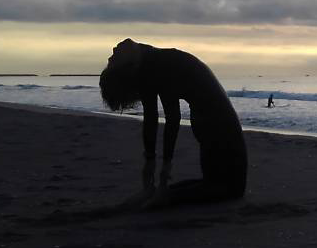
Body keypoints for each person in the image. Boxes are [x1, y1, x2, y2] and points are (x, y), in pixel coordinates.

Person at [98, 40, 247, 206]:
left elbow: (172, 117)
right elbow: (152, 118)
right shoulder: (144, 63)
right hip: (206, 118)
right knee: (225, 187)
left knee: (224, 186)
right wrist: (150, 163)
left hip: (215, 119)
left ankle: (161, 195)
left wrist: (164, 167)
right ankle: (160, 195)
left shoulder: (153, 65)